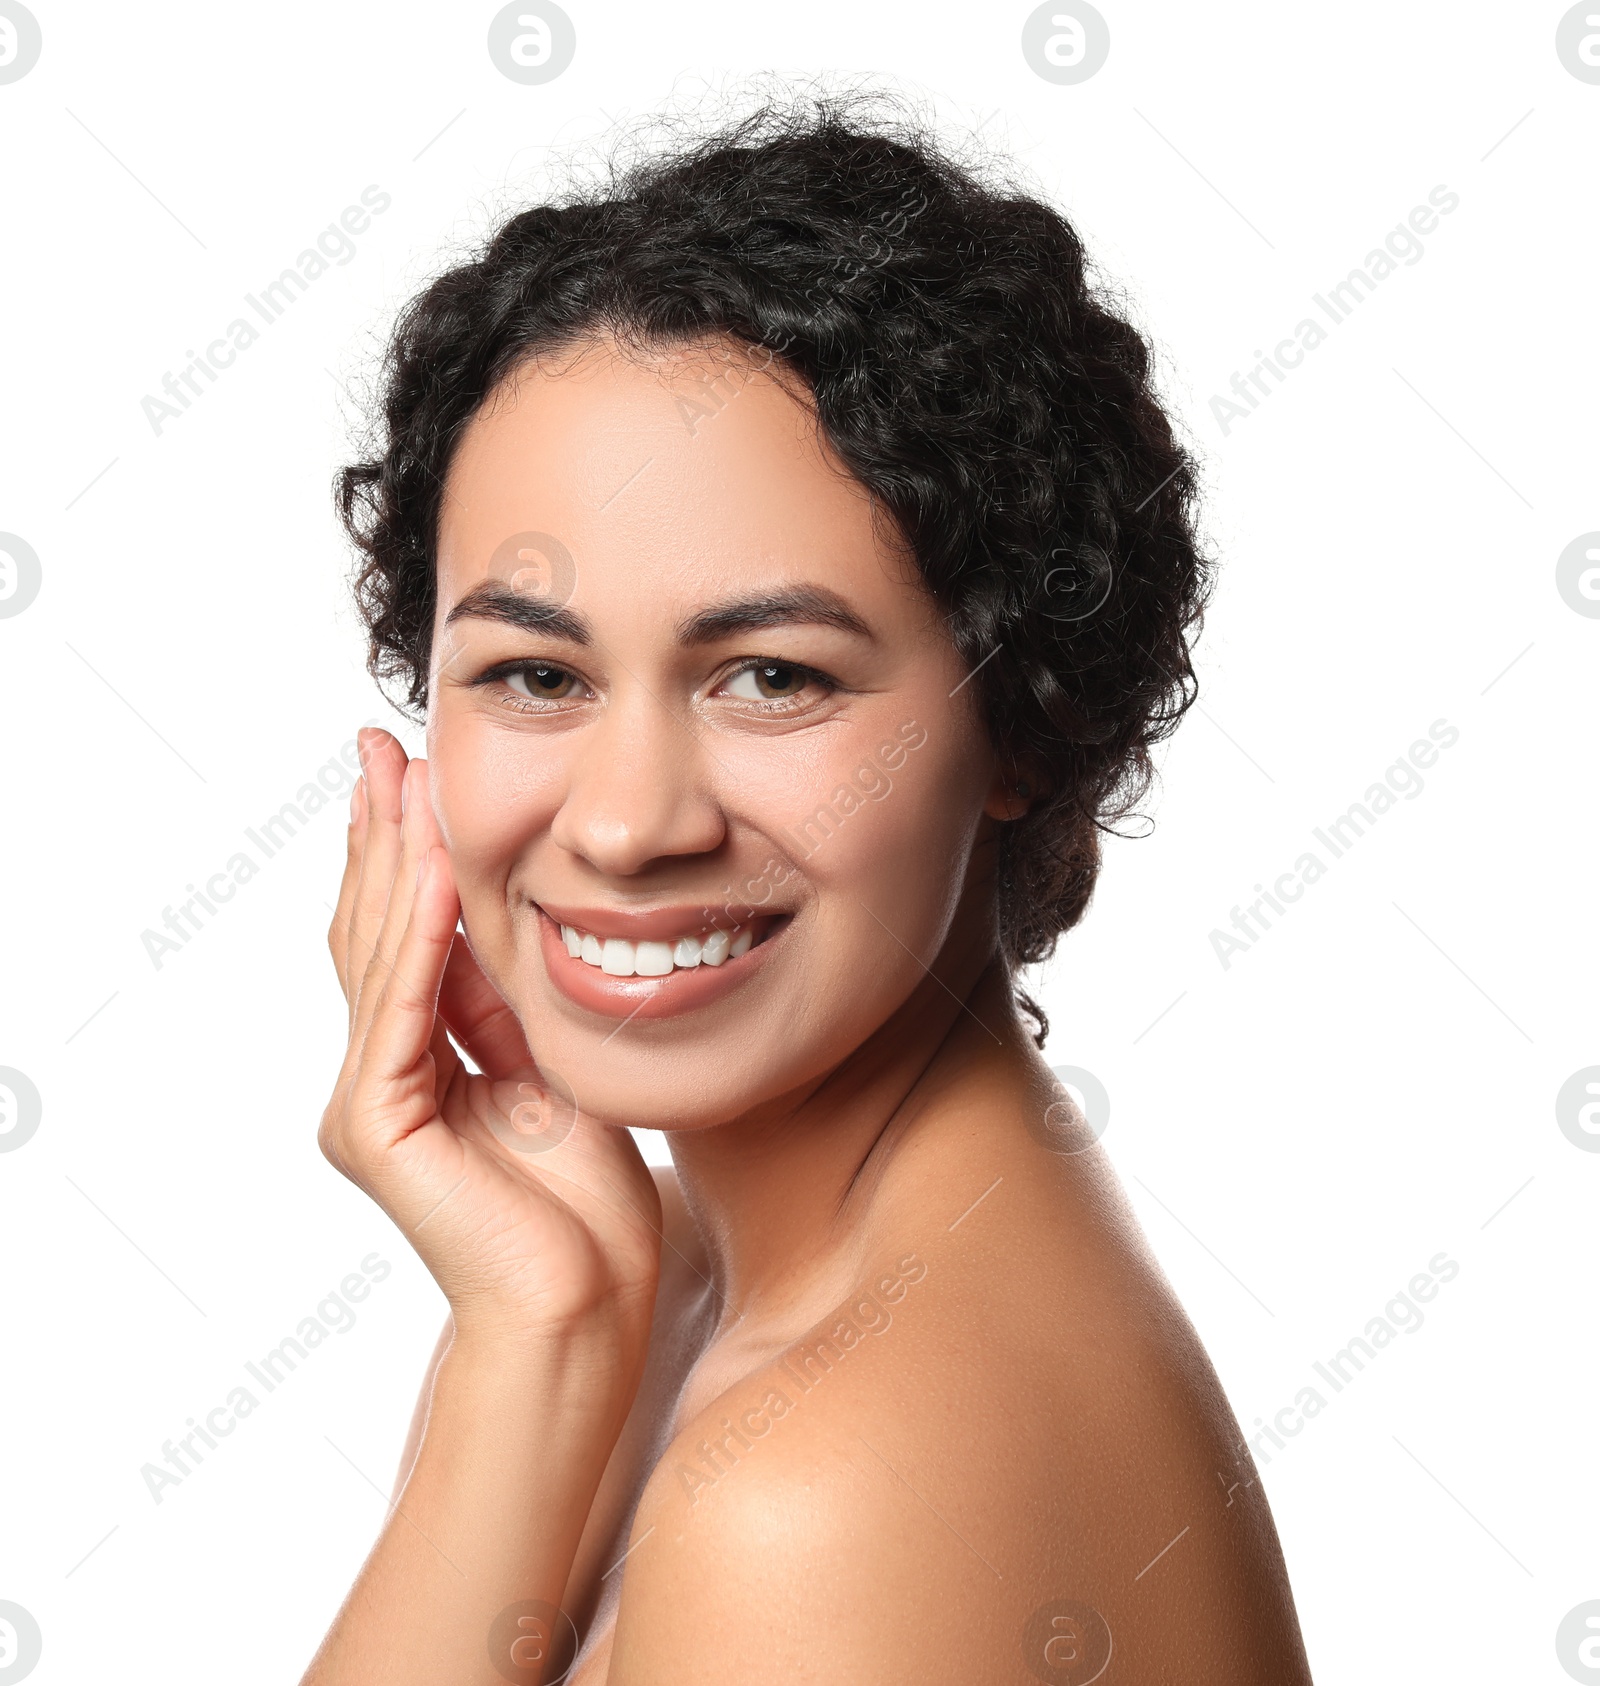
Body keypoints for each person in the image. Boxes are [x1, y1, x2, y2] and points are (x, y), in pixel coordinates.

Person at [304, 93, 1314, 1685]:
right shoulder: (665, 1289)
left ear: (1019, 719)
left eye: (772, 675)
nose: (628, 825)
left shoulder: (833, 1480)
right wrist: (537, 1341)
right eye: (536, 673)